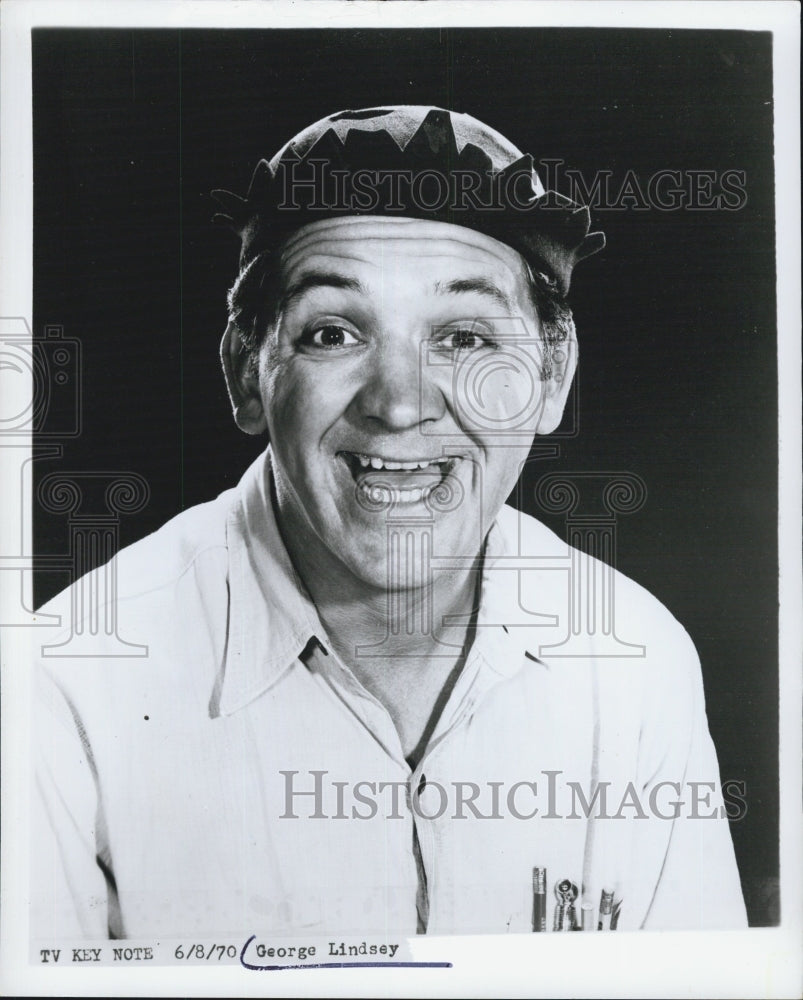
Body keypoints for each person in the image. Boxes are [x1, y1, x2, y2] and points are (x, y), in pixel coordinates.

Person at [33, 106, 746, 940]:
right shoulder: (66, 685)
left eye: (466, 337)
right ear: (245, 373)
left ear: (552, 378)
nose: (400, 404)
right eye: (333, 332)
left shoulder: (634, 660)